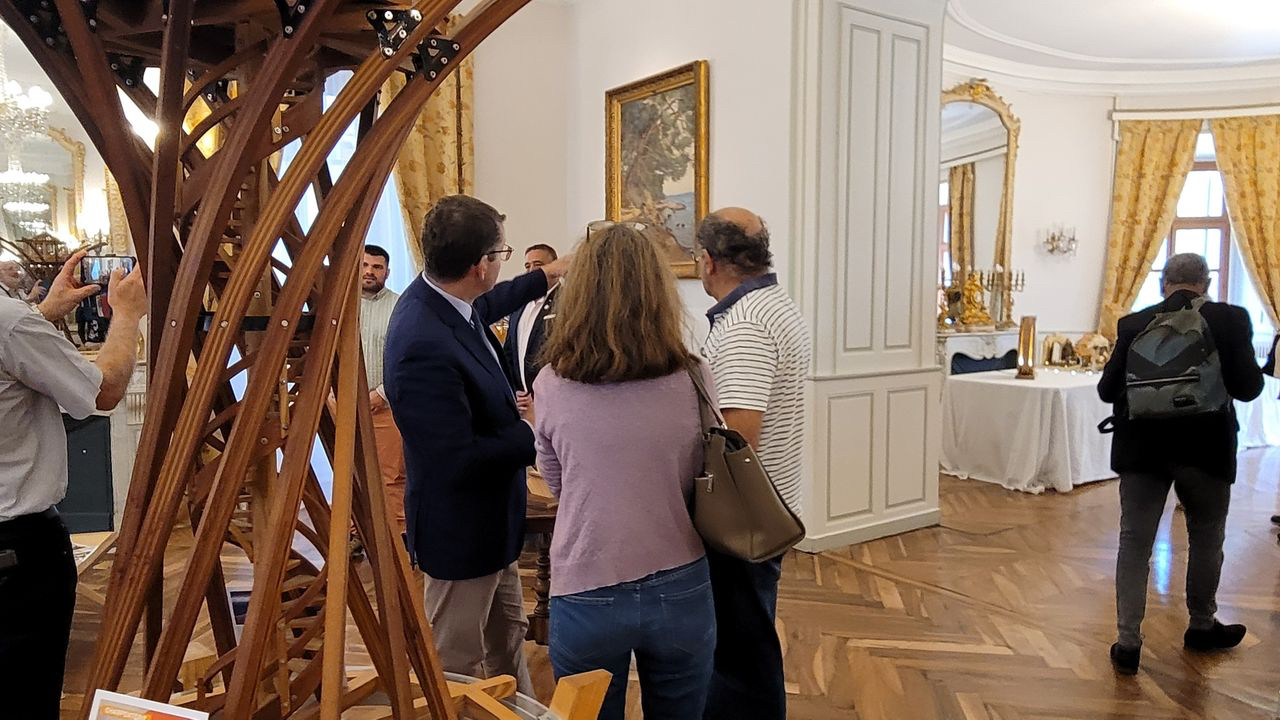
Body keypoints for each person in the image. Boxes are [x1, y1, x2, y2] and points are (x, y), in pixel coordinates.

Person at [382, 195, 568, 695]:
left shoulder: (441, 298)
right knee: (457, 666)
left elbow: (486, 304)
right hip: (459, 533)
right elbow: (456, 459)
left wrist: (550, 273)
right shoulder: (422, 341)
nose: (501, 264)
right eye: (502, 254)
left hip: (492, 523)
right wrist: (534, 432)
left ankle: (523, 710)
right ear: (479, 265)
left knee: (508, 636)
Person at [534, 222, 715, 720]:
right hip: (680, 577)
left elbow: (556, 482)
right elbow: (700, 470)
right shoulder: (695, 375)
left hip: (586, 580)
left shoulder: (551, 383)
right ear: (658, 293)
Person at [1097, 252, 1264, 675]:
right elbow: (1248, 389)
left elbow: (1106, 391)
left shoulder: (1134, 323)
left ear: (1163, 284)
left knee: (1134, 543)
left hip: (1141, 451)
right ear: (1205, 284)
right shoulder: (1230, 319)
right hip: (1205, 449)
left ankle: (1128, 642)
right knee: (1206, 537)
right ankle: (1202, 626)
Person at [0, 248, 146, 719]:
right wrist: (125, 313)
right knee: (23, 690)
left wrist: (41, 317)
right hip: (14, 551)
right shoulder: (10, 322)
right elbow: (103, 389)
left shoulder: (15, 323)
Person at [695, 208, 810, 720]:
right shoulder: (774, 304)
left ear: (707, 261)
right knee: (747, 635)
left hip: (743, 513)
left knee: (742, 648)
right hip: (769, 500)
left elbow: (737, 436)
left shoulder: (745, 326)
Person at [358, 244, 406, 535]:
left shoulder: (401, 307)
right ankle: (356, 535)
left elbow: (408, 358)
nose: (369, 272)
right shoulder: (338, 306)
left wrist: (382, 393)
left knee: (390, 475)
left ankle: (395, 538)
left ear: (387, 272)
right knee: (352, 476)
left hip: (386, 405)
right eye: (364, 265)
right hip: (342, 404)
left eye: (377, 267)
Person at [503, 244, 559, 421]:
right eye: (527, 266)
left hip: (553, 402)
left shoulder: (566, 304)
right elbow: (509, 353)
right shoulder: (518, 305)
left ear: (554, 267)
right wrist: (515, 392)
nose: (532, 270)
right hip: (522, 405)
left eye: (538, 264)